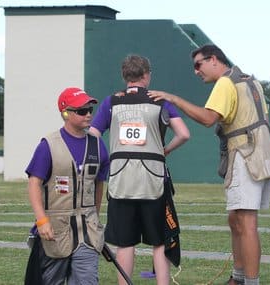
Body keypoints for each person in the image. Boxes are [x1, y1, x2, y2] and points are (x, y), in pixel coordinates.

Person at [148, 44, 270, 285]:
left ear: (215, 60)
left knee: (247, 222)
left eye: (199, 64)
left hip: (245, 154)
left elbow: (208, 119)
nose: (196, 71)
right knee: (236, 219)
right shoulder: (252, 81)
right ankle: (238, 277)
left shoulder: (226, 83)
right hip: (262, 155)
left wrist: (173, 98)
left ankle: (249, 281)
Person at [89, 54, 190, 285]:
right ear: (146, 75)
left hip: (120, 179)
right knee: (160, 241)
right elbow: (184, 134)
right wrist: (166, 150)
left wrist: (112, 155)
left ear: (125, 76)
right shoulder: (160, 100)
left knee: (124, 242)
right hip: (153, 179)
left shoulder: (111, 102)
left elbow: (94, 134)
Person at [24, 87, 110, 285]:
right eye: (81, 111)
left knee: (87, 281)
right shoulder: (48, 145)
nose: (88, 114)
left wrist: (94, 217)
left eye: (90, 109)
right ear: (65, 113)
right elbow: (34, 183)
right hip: (55, 231)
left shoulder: (98, 145)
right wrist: (41, 221)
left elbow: (99, 184)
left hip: (88, 233)